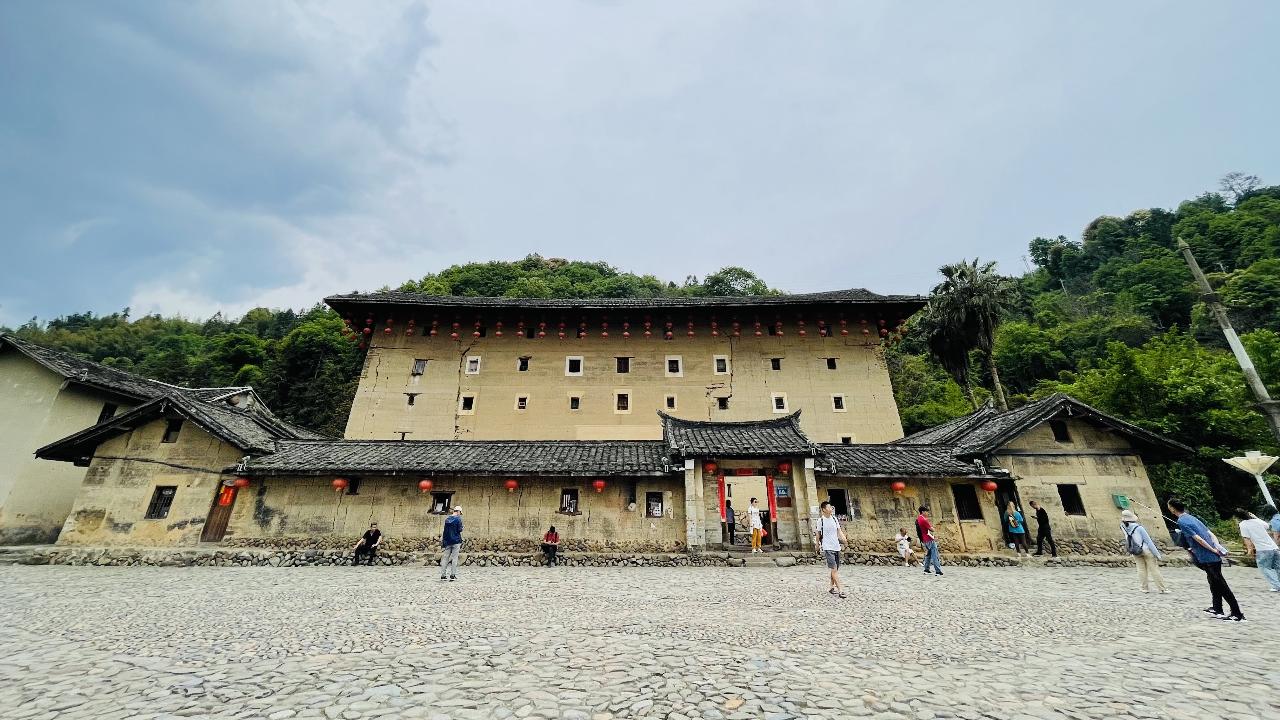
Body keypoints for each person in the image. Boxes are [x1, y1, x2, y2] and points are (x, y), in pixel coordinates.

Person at [1168, 499, 1243, 621]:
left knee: (1221, 585)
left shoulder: (1182, 521)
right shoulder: (1192, 518)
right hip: (1212, 556)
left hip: (1207, 557)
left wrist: (1212, 550)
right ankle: (1217, 608)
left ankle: (1237, 613)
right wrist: (1217, 546)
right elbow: (1210, 533)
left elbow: (1198, 539)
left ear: (1172, 509)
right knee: (1213, 582)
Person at [1120, 510, 1167, 593]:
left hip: (1135, 550)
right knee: (1154, 569)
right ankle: (1162, 588)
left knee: (1141, 569)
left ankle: (1144, 587)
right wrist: (1157, 555)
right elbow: (1149, 542)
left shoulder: (1123, 526)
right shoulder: (1139, 528)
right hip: (1146, 550)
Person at [1235, 509, 1280, 592]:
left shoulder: (1243, 525)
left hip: (1262, 549)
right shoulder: (1257, 521)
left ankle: (1276, 585)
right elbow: (1267, 526)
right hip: (1274, 547)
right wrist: (1256, 517)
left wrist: (1249, 550)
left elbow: (1247, 539)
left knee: (1264, 567)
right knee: (1278, 567)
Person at [814, 501, 848, 598]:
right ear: (824, 509)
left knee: (835, 569)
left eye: (831, 507)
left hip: (836, 546)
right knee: (834, 569)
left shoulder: (834, 518)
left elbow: (839, 530)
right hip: (828, 547)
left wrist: (843, 537)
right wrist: (817, 544)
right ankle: (840, 590)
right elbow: (818, 533)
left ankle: (830, 587)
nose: (831, 508)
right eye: (829, 507)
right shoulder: (821, 520)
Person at [915, 506, 942, 576]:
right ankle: (937, 570)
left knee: (928, 554)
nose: (927, 513)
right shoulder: (924, 520)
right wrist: (932, 528)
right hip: (929, 538)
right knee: (934, 554)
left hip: (925, 539)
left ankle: (926, 569)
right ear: (923, 512)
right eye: (926, 511)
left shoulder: (919, 519)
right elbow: (932, 529)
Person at [440, 506, 463, 581]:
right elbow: (459, 529)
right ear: (458, 511)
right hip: (456, 541)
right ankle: (452, 575)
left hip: (448, 541)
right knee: (454, 558)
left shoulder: (447, 519)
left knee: (445, 558)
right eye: (460, 513)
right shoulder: (458, 519)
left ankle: (443, 575)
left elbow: (445, 531)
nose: (460, 514)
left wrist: (444, 541)